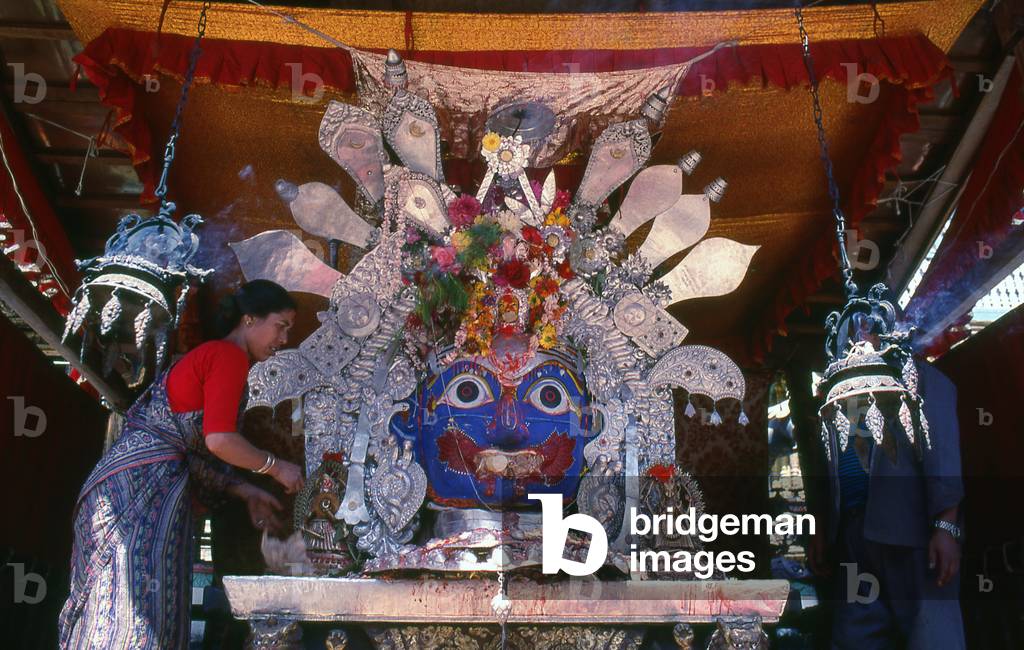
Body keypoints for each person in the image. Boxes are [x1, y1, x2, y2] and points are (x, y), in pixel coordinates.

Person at [58, 279, 305, 650]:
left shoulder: (222, 357)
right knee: (131, 612)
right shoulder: (228, 356)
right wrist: (276, 467)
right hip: (138, 490)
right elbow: (219, 441)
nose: (284, 338)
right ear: (250, 319)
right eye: (281, 325)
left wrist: (247, 490)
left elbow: (194, 452)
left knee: (126, 607)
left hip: (137, 486)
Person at [807, 343, 965, 649]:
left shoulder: (920, 378)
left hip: (911, 535)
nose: (859, 337)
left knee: (933, 636)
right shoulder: (838, 388)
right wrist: (820, 526)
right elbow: (826, 466)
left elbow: (943, 452)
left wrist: (946, 526)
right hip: (855, 537)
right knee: (855, 637)